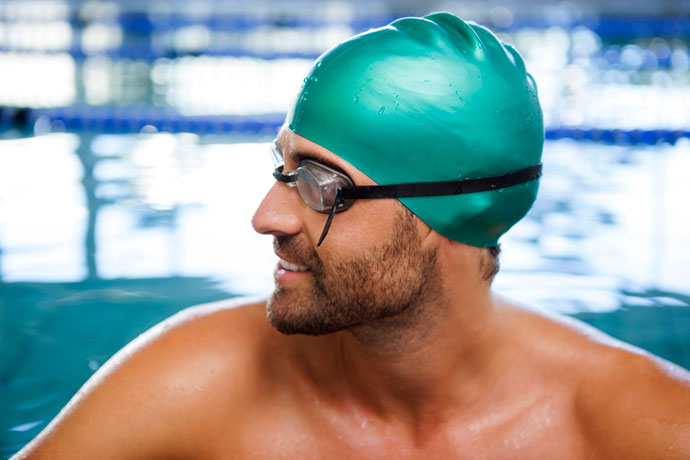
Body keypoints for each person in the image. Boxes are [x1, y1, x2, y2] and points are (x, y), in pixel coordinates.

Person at [13, 12, 690, 460]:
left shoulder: (635, 428)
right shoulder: (191, 377)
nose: (266, 216)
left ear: (450, 216)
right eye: (283, 168)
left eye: (321, 185)